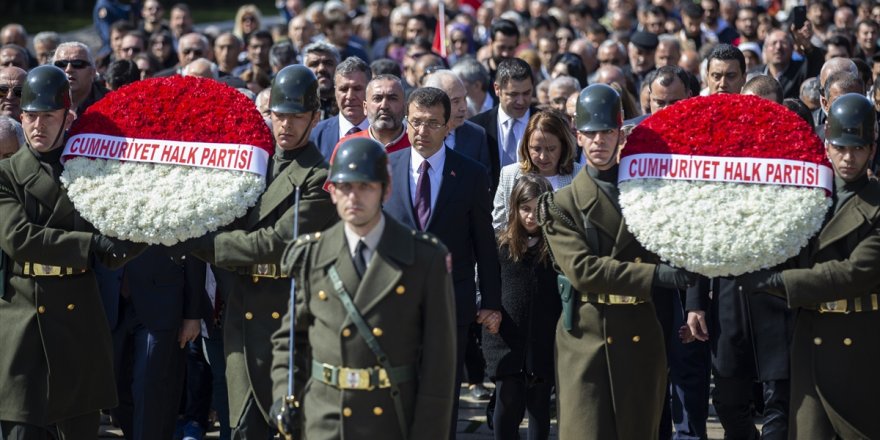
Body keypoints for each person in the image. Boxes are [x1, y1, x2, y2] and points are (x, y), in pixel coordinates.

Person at [174, 65, 337, 439]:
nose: (286, 125)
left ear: (315, 117)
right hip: (241, 308)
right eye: (279, 115)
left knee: (289, 423)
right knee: (243, 425)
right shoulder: (250, 161)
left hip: (290, 312)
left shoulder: (319, 176)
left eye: (297, 116)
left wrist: (198, 244)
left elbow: (276, 243)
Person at [270, 136, 457, 440]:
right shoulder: (313, 254)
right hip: (323, 421)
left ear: (386, 189)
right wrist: (284, 396)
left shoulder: (423, 258)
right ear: (332, 192)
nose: (353, 198)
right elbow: (290, 341)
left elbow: (440, 363)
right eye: (344, 187)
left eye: (365, 186)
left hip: (390, 420)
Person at [538, 84, 695, 440]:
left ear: (621, 133)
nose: (598, 141)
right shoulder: (560, 204)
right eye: (590, 133)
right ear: (577, 136)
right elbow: (584, 271)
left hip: (639, 330)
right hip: (586, 337)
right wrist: (656, 274)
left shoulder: (650, 194)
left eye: (607, 132)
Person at [0, 64, 142, 438]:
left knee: (79, 426)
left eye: (48, 116)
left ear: (69, 117)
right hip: (24, 320)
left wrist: (150, 229)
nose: (37, 126)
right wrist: (90, 244)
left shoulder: (91, 171)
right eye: (31, 116)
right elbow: (19, 238)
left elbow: (114, 248)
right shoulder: (7, 174)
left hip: (79, 317)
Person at [737, 93, 880, 439]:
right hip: (809, 336)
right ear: (826, 145)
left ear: (872, 149)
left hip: (858, 339)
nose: (848, 158)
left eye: (858, 148)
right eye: (841, 147)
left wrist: (780, 282)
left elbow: (854, 274)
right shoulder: (809, 193)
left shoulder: (876, 204)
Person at [383, 87, 502, 439]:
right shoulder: (386, 168)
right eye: (416, 122)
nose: (422, 131)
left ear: (448, 126)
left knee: (442, 396)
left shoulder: (471, 173)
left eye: (432, 123)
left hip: (452, 304)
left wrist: (491, 302)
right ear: (406, 122)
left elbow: (484, 243)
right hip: (395, 303)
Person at [94, 246, 204, 440]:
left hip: (161, 299)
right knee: (115, 389)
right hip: (111, 298)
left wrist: (192, 314)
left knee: (148, 385)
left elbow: (194, 248)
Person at [483, 174, 559, 440]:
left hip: (543, 342)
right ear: (514, 208)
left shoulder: (556, 248)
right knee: (506, 409)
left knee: (539, 409)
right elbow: (486, 286)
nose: (531, 217)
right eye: (525, 209)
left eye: (538, 209)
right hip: (505, 342)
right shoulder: (501, 245)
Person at [492, 111, 581, 231]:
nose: (543, 157)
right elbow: (498, 226)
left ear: (563, 147)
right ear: (526, 147)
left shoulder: (579, 175)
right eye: (536, 149)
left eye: (551, 149)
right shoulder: (510, 175)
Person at [470, 58, 539, 194]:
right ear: (497, 89)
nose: (521, 101)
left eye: (526, 93)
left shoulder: (545, 124)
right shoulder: (476, 127)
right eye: (513, 94)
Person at [422, 69, 491, 174]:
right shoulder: (417, 132)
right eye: (456, 101)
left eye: (465, 98)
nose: (463, 107)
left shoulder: (477, 135)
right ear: (435, 103)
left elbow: (484, 181)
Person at [310, 56, 372, 160]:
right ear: (335, 92)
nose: (350, 96)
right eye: (343, 89)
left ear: (370, 90)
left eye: (357, 89)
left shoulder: (385, 133)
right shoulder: (315, 135)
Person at [52, 42, 108, 116]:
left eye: (78, 64)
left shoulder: (111, 101)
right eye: (61, 64)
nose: (69, 69)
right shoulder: (41, 101)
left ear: (93, 72)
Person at [303, 42, 342, 120]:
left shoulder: (348, 104)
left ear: (338, 68)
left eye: (328, 63)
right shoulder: (299, 106)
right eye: (314, 64)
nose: (321, 68)